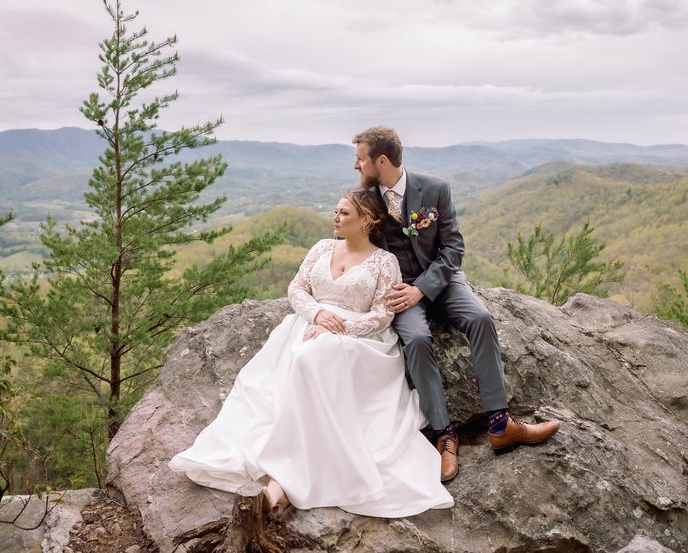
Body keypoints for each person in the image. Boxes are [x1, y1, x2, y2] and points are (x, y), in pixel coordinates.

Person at [169, 189, 453, 517]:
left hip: (359, 341)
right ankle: (283, 483)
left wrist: (340, 325)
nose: (336, 217)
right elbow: (296, 289)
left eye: (344, 213)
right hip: (307, 325)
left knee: (310, 360)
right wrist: (318, 315)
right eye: (336, 211)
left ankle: (282, 484)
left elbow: (382, 315)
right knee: (291, 369)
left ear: (368, 221)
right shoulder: (321, 248)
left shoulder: (384, 262)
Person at [352, 125, 561, 483]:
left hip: (443, 282)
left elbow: (453, 249)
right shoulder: (364, 198)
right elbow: (353, 246)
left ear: (381, 160)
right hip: (399, 291)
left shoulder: (434, 188)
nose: (356, 166)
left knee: (481, 317)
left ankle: (500, 424)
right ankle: (445, 436)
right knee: (416, 340)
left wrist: (424, 289)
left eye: (360, 159)